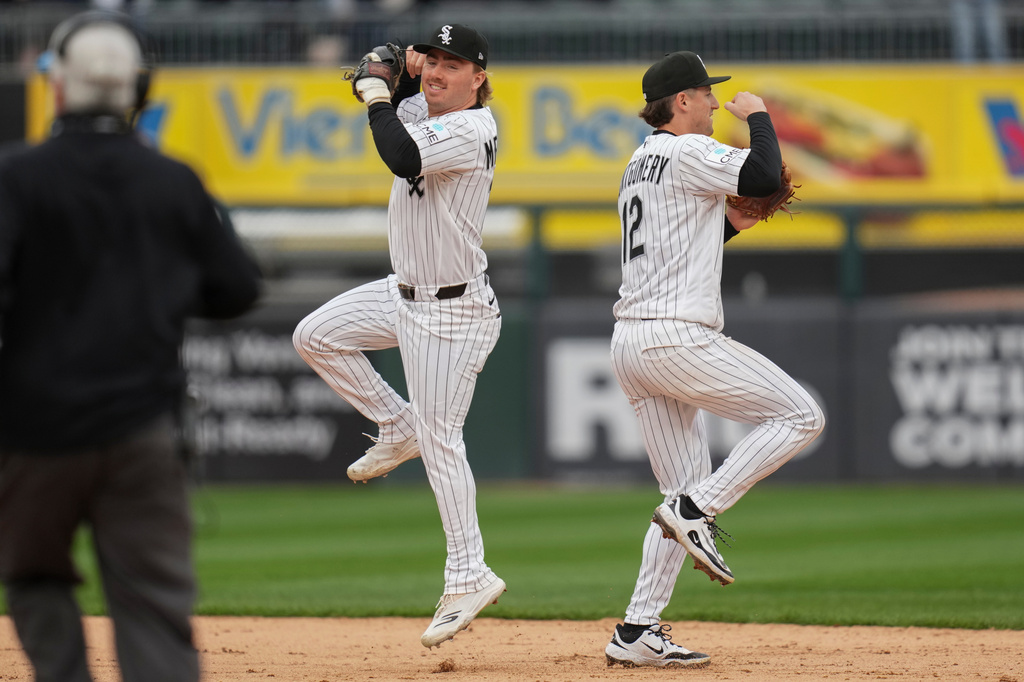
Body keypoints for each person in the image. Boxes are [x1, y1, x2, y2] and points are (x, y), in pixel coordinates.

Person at [0, 11, 262, 682]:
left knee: (32, 577)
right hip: (142, 427)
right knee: (152, 601)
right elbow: (236, 289)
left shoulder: (17, 177)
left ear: (57, 87)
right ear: (137, 91)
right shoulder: (173, 179)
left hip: (35, 429)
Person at [604, 51, 826, 668]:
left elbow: (682, 237)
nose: (713, 102)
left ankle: (636, 631)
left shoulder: (641, 160)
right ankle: (696, 510)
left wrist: (730, 226)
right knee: (802, 415)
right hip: (677, 339)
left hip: (632, 343)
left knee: (677, 484)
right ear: (681, 101)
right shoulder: (687, 150)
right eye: (706, 93)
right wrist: (759, 118)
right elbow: (762, 173)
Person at [292, 23, 504, 649]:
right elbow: (390, 72)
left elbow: (402, 153)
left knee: (443, 443)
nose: (438, 71)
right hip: (402, 291)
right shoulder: (423, 106)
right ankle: (394, 422)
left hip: (452, 311)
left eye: (454, 63)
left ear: (479, 77)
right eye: (433, 59)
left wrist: (379, 90)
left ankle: (469, 573)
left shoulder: (473, 127)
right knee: (316, 335)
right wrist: (392, 64)